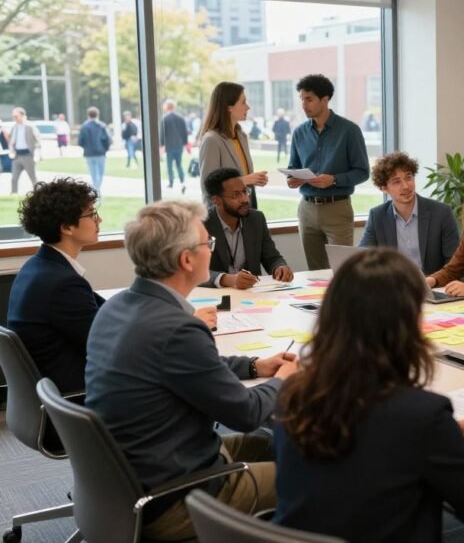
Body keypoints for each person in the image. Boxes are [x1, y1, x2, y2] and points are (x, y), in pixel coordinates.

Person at [85, 200, 298, 541]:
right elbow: (246, 413)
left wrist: (255, 365)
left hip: (141, 473)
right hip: (178, 496)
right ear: (186, 260)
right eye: (207, 244)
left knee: (293, 446)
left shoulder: (118, 306)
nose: (211, 251)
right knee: (317, 474)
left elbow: (191, 367)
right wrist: (282, 381)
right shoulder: (177, 328)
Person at [274, 248, 464, 541]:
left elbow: (368, 452)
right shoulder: (421, 416)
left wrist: (441, 438)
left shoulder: (293, 391)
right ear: (406, 327)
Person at [8, 178, 104, 394]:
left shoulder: (37, 267)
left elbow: (102, 311)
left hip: (52, 391)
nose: (99, 220)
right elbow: (106, 344)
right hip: (76, 397)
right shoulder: (62, 284)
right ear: (67, 227)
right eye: (91, 214)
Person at [286, 74, 370, 270]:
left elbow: (363, 172)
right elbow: (293, 167)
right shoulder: (299, 132)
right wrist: (292, 179)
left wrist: (333, 180)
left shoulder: (349, 131)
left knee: (342, 270)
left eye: (309, 99)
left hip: (337, 209)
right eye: (301, 99)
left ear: (325, 99)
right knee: (314, 272)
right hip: (306, 210)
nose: (304, 105)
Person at [359, 151, 460, 274]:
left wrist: (434, 281)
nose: (406, 186)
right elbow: (362, 259)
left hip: (433, 285)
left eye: (409, 177)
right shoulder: (377, 216)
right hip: (393, 285)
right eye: (396, 181)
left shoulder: (441, 213)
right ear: (384, 188)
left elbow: (454, 263)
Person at [202, 167, 292, 289]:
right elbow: (193, 270)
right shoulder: (201, 224)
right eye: (235, 195)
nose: (245, 199)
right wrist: (226, 279)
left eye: (245, 192)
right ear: (217, 200)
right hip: (215, 298)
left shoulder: (256, 219)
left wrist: (280, 267)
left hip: (252, 295)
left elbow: (271, 257)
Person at [198, 82, 269, 208]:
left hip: (245, 211)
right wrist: (245, 180)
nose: (248, 107)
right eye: (243, 102)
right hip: (224, 217)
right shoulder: (212, 140)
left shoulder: (241, 136)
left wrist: (255, 179)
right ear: (229, 107)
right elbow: (209, 187)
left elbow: (243, 176)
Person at [78, 107, 111, 194]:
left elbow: (80, 141)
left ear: (88, 115)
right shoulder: (102, 126)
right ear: (98, 115)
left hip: (89, 153)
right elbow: (107, 139)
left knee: (93, 173)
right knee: (100, 173)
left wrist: (86, 147)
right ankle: (97, 188)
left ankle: (96, 188)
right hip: (100, 152)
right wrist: (105, 149)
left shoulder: (84, 126)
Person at [160, 99, 190, 193]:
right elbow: (184, 132)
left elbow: (162, 133)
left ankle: (171, 182)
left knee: (169, 165)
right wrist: (185, 143)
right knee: (179, 164)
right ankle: (182, 181)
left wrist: (162, 145)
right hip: (179, 145)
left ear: (166, 107)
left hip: (169, 145)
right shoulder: (180, 118)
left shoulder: (165, 119)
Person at [9, 107, 40, 194]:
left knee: (33, 178)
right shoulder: (14, 127)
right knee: (14, 178)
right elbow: (11, 141)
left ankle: (38, 194)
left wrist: (37, 155)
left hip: (28, 156)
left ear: (22, 115)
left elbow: (37, 141)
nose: (14, 118)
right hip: (17, 156)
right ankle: (13, 194)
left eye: (16, 116)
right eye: (13, 117)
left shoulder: (29, 127)